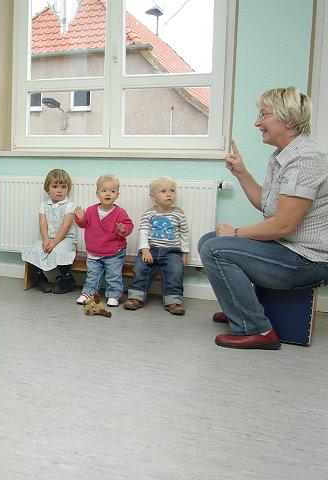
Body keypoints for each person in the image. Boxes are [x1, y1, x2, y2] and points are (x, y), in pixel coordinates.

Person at [198, 86, 328, 350]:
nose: (257, 123)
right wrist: (241, 173)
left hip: (307, 261)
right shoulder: (283, 155)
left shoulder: (306, 159)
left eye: (263, 114)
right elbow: (267, 206)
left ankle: (256, 329)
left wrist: (235, 232)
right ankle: (240, 308)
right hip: (289, 249)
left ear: (287, 119)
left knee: (215, 248)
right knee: (208, 240)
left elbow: (283, 225)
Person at [122, 176, 190, 315]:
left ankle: (173, 301)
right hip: (150, 249)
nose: (169, 194)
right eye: (163, 191)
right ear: (153, 196)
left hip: (171, 251)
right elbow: (143, 232)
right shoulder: (149, 214)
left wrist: (185, 253)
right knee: (140, 267)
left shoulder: (178, 214)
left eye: (172, 190)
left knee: (175, 269)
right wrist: (145, 250)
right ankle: (136, 298)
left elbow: (184, 233)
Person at [74, 174, 133, 307]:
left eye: (112, 191)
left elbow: (128, 225)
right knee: (92, 274)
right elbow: (83, 224)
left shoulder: (120, 212)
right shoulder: (91, 210)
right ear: (97, 193)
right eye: (104, 190)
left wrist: (123, 229)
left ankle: (114, 294)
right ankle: (89, 292)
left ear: (117, 195)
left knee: (113, 274)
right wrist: (80, 218)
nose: (108, 193)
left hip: (114, 252)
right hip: (94, 251)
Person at [21, 169, 77, 294]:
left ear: (68, 189)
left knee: (60, 251)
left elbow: (66, 226)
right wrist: (46, 239)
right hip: (48, 238)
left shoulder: (69, 205)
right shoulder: (44, 205)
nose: (59, 190)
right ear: (47, 189)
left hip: (65, 239)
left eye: (63, 187)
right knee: (34, 250)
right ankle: (40, 280)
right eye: (55, 186)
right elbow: (43, 223)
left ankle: (67, 279)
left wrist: (54, 243)